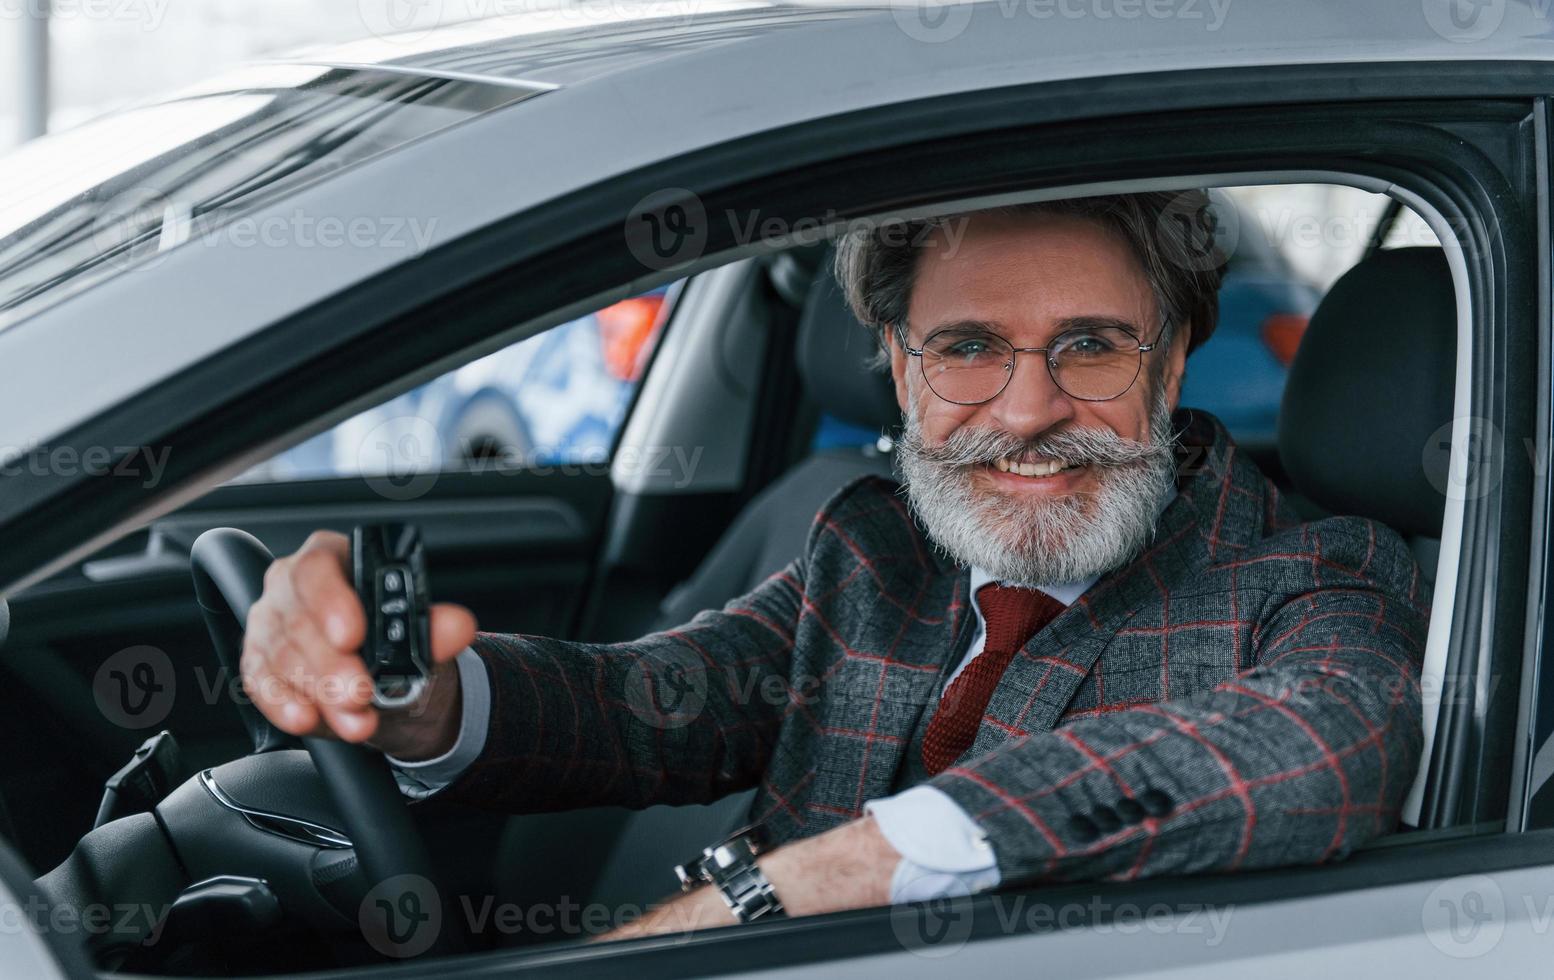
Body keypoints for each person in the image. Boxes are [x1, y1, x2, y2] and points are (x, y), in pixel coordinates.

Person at [239, 191, 1428, 940]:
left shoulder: (1313, 573)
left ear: (1169, 372)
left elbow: (1325, 748)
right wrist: (415, 698)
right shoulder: (875, 548)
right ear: (902, 375)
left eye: (1091, 348)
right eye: (966, 348)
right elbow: (643, 706)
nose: (1025, 410)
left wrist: (817, 879)